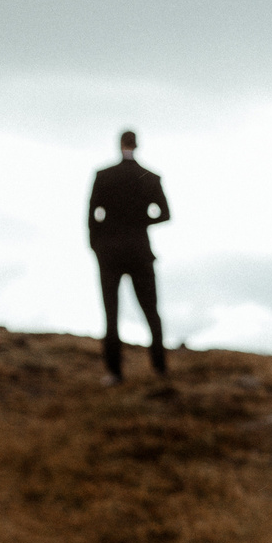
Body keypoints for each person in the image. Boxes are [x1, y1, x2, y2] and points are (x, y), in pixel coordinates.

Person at [87, 129, 170, 383]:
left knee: (111, 314)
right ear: (138, 145)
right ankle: (160, 368)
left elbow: (91, 216)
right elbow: (165, 214)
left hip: (109, 253)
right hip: (139, 251)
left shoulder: (104, 176)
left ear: (119, 144)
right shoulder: (150, 177)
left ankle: (114, 372)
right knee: (151, 311)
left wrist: (97, 245)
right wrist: (140, 220)